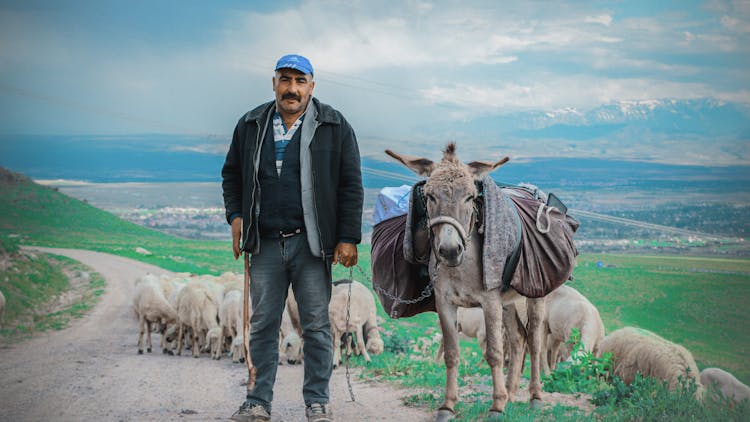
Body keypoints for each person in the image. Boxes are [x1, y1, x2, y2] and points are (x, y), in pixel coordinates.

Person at [222, 54, 363, 422]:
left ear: (312, 87)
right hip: (265, 242)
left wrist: (348, 237)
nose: (292, 89)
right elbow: (231, 175)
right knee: (264, 323)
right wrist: (236, 216)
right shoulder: (251, 124)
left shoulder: (334, 125)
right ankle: (258, 401)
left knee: (316, 324)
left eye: (300, 81)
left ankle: (317, 400)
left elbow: (351, 184)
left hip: (312, 244)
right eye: (285, 80)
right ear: (274, 84)